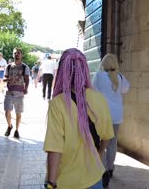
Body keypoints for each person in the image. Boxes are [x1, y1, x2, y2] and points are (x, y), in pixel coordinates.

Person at [43, 48, 114, 189]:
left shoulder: (57, 103)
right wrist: (99, 154)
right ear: (85, 70)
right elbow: (107, 136)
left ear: (62, 71)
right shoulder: (99, 99)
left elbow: (55, 149)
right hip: (94, 178)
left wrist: (51, 183)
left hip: (65, 182)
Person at [92, 53, 130, 186]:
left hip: (102, 115)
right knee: (112, 143)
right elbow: (126, 89)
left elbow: (93, 91)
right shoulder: (120, 77)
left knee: (101, 142)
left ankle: (101, 168)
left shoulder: (99, 76)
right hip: (117, 115)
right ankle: (110, 168)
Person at [3, 48, 30, 139]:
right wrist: (8, 79)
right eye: (15, 53)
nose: (16, 54)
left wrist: (26, 88)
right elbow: (4, 79)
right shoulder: (9, 66)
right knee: (7, 112)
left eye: (18, 53)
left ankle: (17, 130)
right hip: (9, 92)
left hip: (19, 93)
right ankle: (9, 125)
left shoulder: (25, 67)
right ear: (13, 55)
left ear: (21, 55)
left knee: (18, 112)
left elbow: (27, 79)